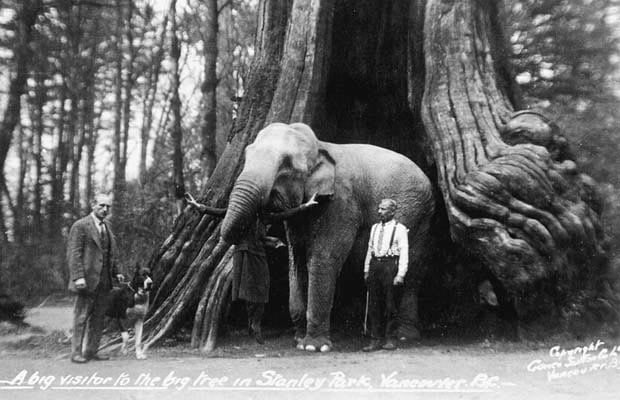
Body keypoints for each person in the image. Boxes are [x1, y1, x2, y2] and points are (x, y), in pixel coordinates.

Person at [185, 193, 324, 343]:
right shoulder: (240, 212)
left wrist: (305, 205)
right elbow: (220, 212)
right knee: (248, 291)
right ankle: (253, 324)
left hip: (259, 254)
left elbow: (284, 215)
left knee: (262, 290)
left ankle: (254, 323)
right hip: (244, 253)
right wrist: (200, 207)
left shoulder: (264, 216)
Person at [67, 193, 123, 363]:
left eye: (108, 207)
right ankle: (76, 353)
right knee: (81, 317)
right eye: (101, 205)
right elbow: (74, 253)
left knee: (99, 319)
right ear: (93, 204)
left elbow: (111, 254)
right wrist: (78, 277)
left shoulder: (107, 227)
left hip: (105, 282)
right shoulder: (80, 226)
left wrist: (116, 272)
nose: (105, 209)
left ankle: (92, 351)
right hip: (86, 281)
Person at [362, 198, 409, 351]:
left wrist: (400, 274)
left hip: (390, 266)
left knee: (390, 304)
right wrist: (366, 269)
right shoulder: (374, 228)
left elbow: (404, 252)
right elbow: (370, 249)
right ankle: (375, 339)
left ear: (392, 212)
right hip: (375, 265)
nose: (379, 212)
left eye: (383, 209)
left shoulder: (400, 229)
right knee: (374, 304)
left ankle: (390, 338)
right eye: (379, 208)